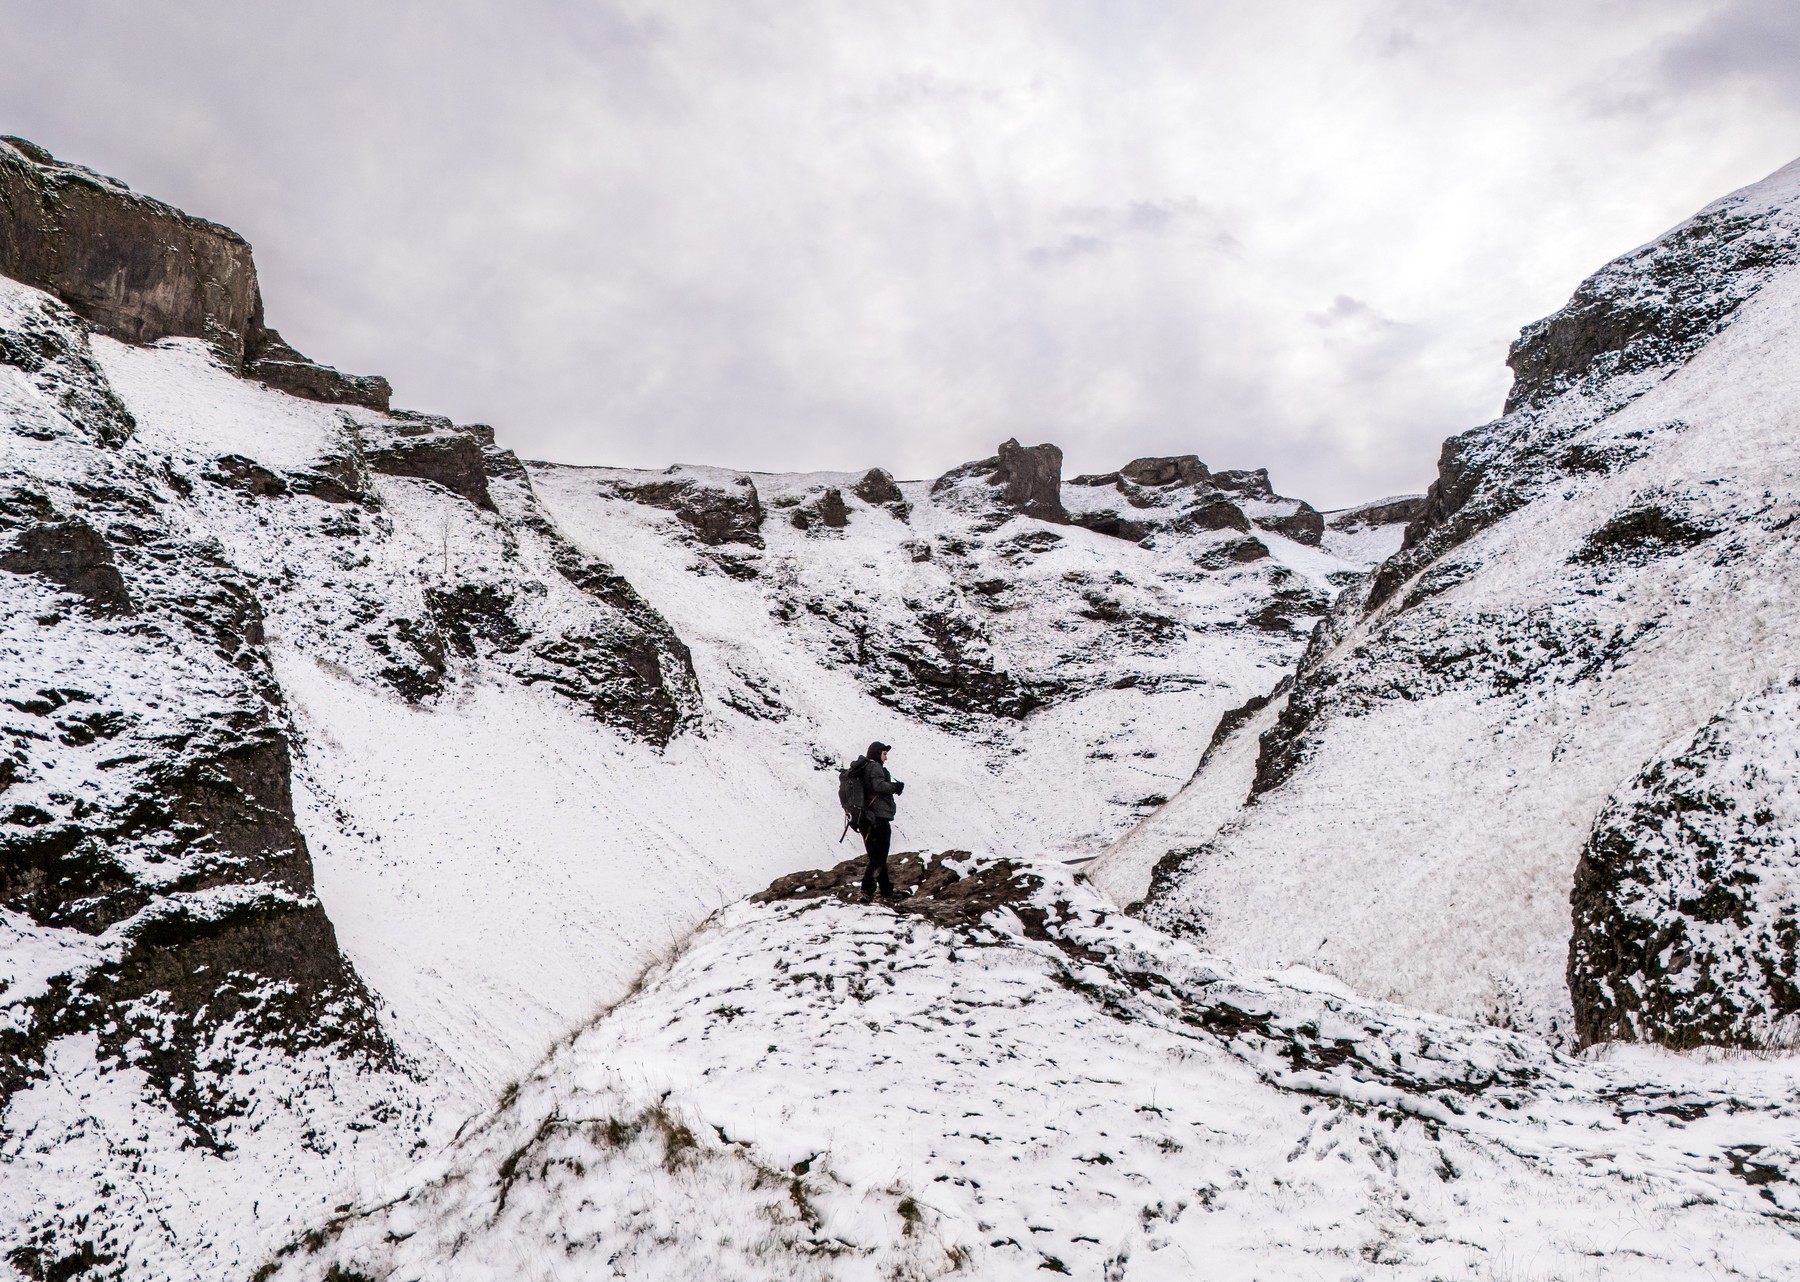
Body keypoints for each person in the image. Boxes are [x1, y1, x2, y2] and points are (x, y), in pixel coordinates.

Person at [859, 741, 904, 901]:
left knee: (877, 856)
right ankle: (866, 890)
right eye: (884, 754)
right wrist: (895, 787)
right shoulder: (875, 767)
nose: (885, 758)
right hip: (878, 819)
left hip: (867, 820)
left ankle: (886, 891)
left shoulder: (865, 768)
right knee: (879, 856)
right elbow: (878, 786)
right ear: (877, 754)